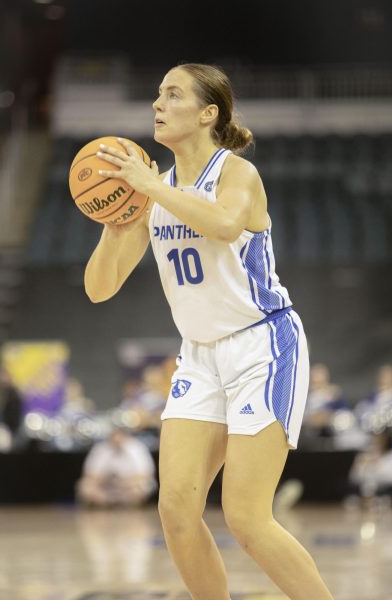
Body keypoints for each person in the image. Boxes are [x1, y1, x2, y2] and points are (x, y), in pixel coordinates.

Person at [85, 63, 334, 599]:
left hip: (262, 345)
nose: (157, 103)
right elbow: (99, 288)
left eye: (172, 94)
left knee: (245, 517)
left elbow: (222, 224)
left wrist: (149, 185)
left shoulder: (234, 173)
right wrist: (117, 223)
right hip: (198, 356)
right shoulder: (152, 196)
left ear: (207, 113)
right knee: (175, 509)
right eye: (156, 94)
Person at [76, 427, 157, 508]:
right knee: (85, 486)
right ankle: (106, 503)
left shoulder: (137, 448)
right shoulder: (100, 449)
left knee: (144, 486)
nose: (117, 441)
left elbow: (146, 474)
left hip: (129, 487)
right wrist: (108, 480)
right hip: (105, 486)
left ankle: (126, 504)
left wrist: (123, 482)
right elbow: (89, 475)